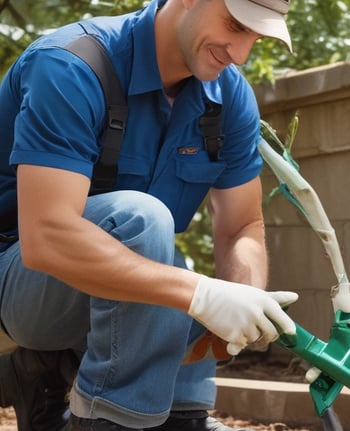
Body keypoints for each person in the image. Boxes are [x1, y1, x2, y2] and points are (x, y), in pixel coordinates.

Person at [0, 0, 299, 430]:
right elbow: (46, 236)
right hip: (16, 279)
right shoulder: (72, 66)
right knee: (146, 225)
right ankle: (110, 420)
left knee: (178, 269)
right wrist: (201, 295)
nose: (240, 52)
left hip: (116, 286)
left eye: (256, 36)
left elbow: (241, 227)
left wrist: (241, 300)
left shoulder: (228, 100)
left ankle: (180, 415)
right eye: (234, 25)